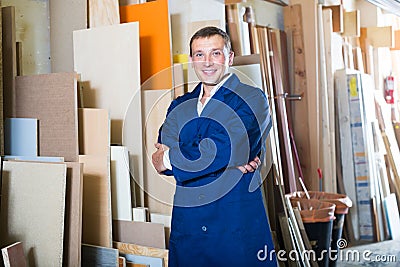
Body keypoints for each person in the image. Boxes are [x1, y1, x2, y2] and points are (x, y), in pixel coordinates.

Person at [152, 26, 277, 266]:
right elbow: (167, 146)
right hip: (189, 222)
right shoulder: (181, 104)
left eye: (215, 53)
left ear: (229, 57)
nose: (207, 62)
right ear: (192, 60)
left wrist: (172, 158)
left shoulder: (252, 98)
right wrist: (224, 164)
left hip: (233, 220)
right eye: (200, 54)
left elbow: (229, 146)